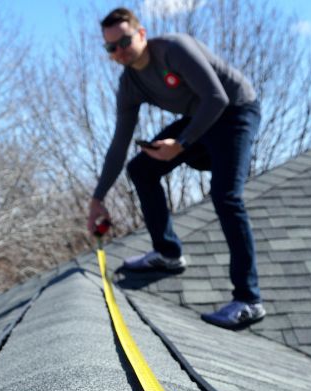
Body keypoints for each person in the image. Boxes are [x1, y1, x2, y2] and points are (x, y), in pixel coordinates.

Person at [86, 7, 265, 330]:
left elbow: (216, 97)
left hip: (235, 112)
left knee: (226, 196)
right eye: (110, 48)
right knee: (141, 169)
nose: (119, 52)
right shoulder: (129, 84)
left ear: (141, 34)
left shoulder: (173, 49)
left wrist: (180, 144)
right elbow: (119, 143)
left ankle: (249, 300)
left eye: (124, 41)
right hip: (199, 120)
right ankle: (167, 254)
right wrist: (98, 198)